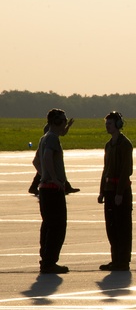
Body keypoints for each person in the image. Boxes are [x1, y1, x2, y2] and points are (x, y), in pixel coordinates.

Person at [34, 109, 75, 274]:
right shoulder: (51, 138)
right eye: (63, 120)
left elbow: (36, 161)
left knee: (48, 225)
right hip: (52, 189)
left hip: (44, 189)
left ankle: (46, 259)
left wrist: (44, 175)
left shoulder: (45, 137)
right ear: (57, 122)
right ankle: (50, 261)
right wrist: (53, 178)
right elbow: (46, 158)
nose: (65, 123)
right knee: (57, 226)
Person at [98, 111, 134, 272]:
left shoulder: (125, 144)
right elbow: (105, 169)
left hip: (121, 191)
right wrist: (101, 191)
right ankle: (115, 259)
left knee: (123, 227)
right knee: (111, 227)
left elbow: (126, 170)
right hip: (109, 190)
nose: (107, 127)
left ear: (118, 125)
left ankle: (123, 261)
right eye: (106, 124)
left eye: (110, 124)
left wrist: (119, 193)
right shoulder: (108, 145)